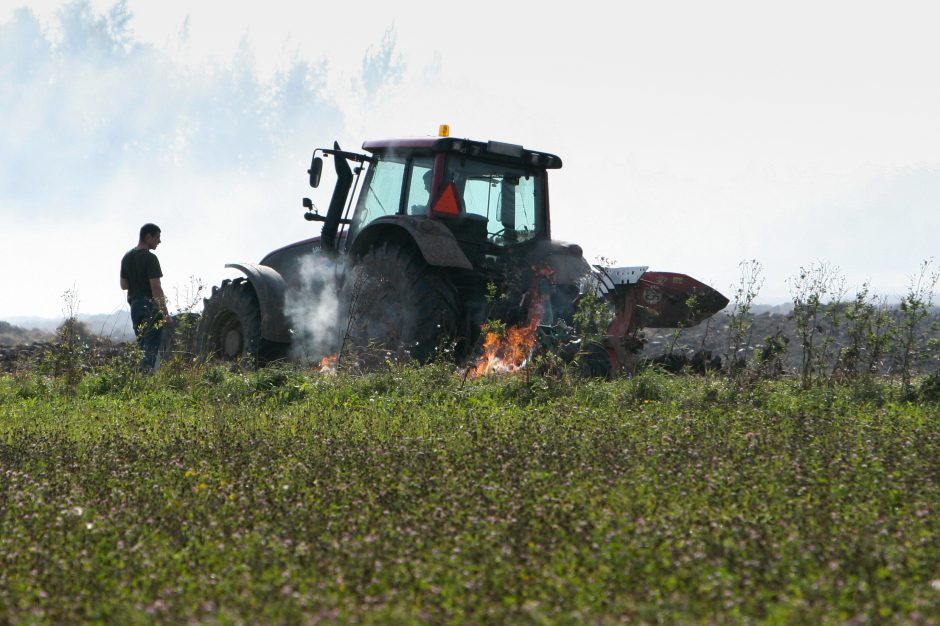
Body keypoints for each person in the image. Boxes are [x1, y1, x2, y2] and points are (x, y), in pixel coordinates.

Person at [120, 223, 169, 371]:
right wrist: (165, 314)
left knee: (142, 346)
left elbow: (123, 285)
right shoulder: (150, 258)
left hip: (135, 306)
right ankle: (147, 379)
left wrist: (137, 281)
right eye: (157, 237)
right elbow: (156, 288)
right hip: (150, 306)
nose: (159, 241)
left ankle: (141, 379)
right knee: (151, 348)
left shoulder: (127, 257)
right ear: (148, 237)